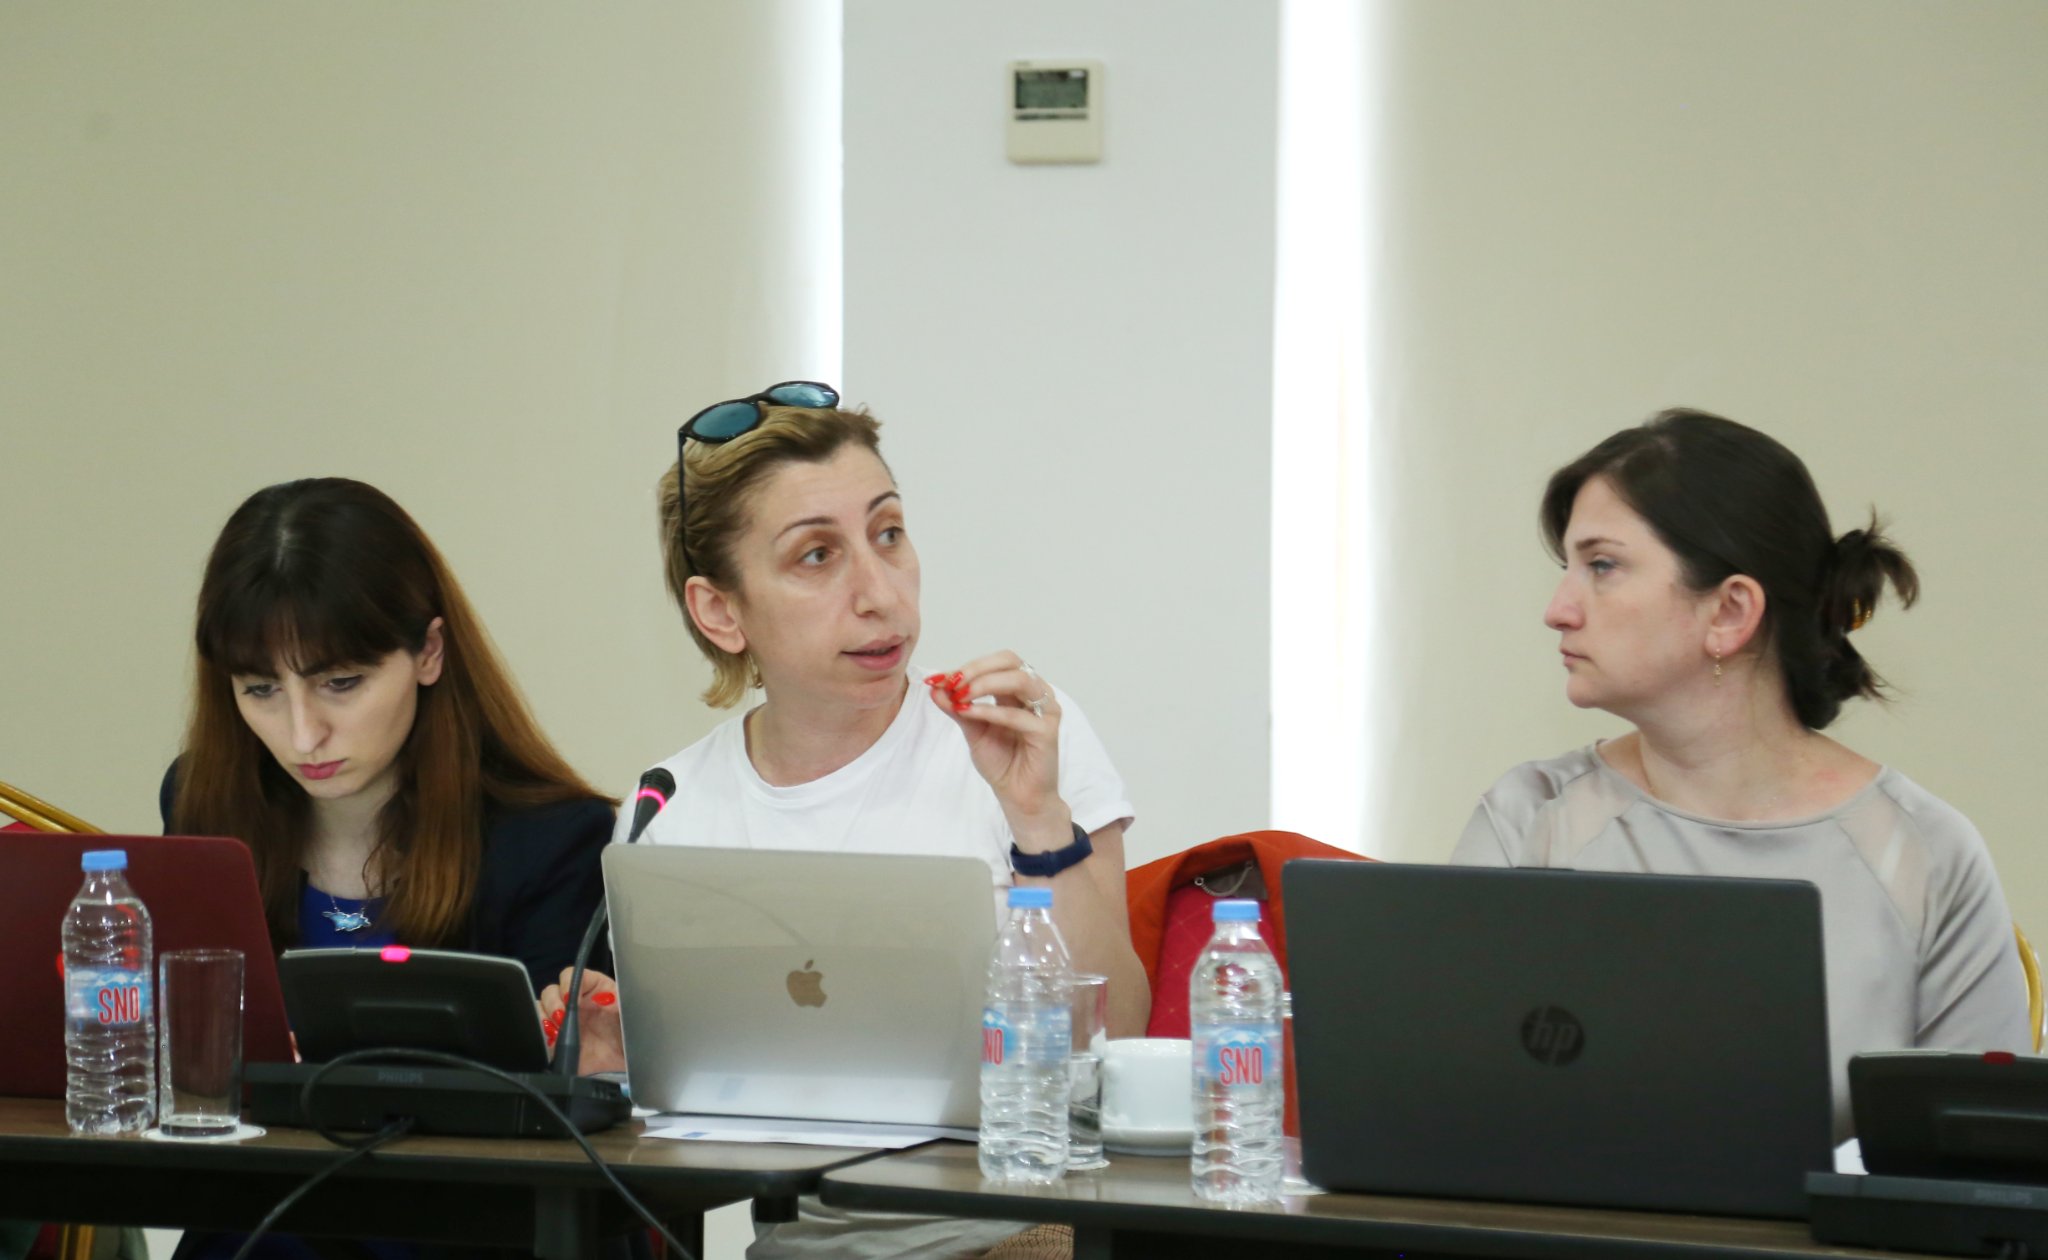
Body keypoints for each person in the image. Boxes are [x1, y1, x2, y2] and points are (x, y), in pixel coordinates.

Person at [545, 382, 1148, 1260]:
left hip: (1025, 1234)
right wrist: (617, 1078)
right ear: (720, 611)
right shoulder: (673, 805)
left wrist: (1037, 820)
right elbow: (687, 1134)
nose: (880, 594)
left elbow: (1119, 1034)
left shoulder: (1018, 735)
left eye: (888, 533)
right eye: (817, 556)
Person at [1452, 407, 2029, 1137]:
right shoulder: (1525, 819)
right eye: (1568, 567)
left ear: (1729, 611)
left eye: (1601, 566)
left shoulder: (1927, 855)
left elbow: (1982, 1159)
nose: (1558, 610)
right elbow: (1449, 1111)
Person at [163, 477, 615, 992]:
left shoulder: (552, 842)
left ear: (429, 652)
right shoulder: (199, 799)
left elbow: (554, 1041)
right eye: (261, 690)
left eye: (340, 683)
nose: (304, 736)